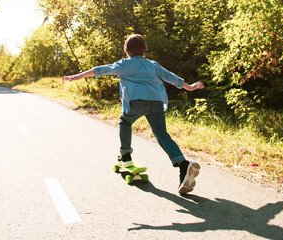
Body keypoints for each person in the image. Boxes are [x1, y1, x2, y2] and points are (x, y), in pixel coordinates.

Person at [63, 34, 204, 194]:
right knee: (162, 135)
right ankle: (183, 165)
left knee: (125, 122)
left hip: (137, 102)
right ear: (144, 50)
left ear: (126, 50)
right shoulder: (153, 65)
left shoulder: (124, 64)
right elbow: (171, 78)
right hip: (156, 103)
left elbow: (101, 70)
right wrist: (191, 87)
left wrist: (78, 76)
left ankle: (125, 156)